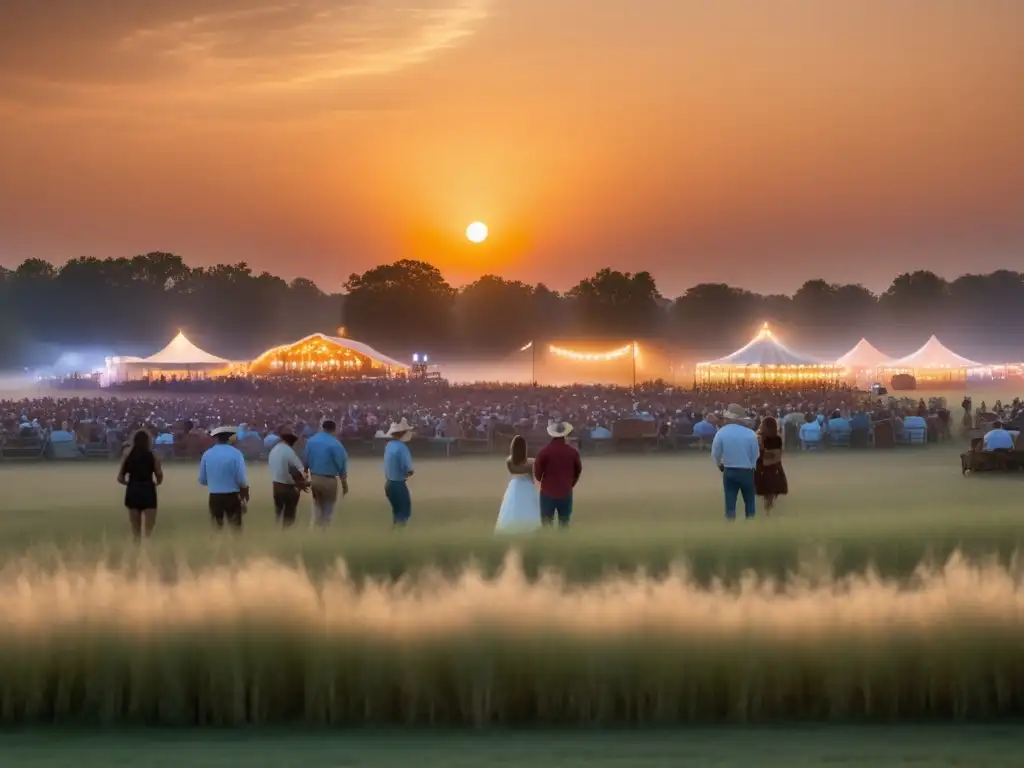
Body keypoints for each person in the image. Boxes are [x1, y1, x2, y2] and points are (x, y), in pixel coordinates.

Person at [710, 404, 760, 520]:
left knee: (730, 499)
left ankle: (730, 521)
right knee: (749, 500)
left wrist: (719, 464)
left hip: (729, 470)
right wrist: (752, 466)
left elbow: (715, 453)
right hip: (746, 471)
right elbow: (755, 454)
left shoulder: (721, 433)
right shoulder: (750, 434)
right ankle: (750, 521)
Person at [198, 425, 249, 530]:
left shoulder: (207, 454)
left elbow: (202, 480)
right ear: (230, 438)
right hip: (232, 496)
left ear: (216, 438)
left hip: (214, 497)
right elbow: (241, 480)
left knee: (217, 529)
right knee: (236, 530)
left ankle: (217, 546)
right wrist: (244, 498)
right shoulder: (236, 454)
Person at [533, 421, 582, 528]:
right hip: (565, 491)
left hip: (547, 491)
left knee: (546, 522)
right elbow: (577, 471)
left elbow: (537, 472)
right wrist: (570, 483)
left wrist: (543, 481)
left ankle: (548, 542)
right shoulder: (572, 452)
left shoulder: (544, 452)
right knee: (564, 523)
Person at [117, 429, 163, 542]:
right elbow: (159, 474)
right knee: (149, 530)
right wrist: (157, 482)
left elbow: (120, 478)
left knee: (135, 531)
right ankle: (147, 552)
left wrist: (129, 484)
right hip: (148, 490)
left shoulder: (128, 455)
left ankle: (136, 551)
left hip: (133, 490)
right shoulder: (152, 454)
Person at [303, 418, 349, 527]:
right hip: (329, 480)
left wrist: (305, 475)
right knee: (328, 511)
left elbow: (305, 460)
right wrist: (344, 484)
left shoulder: (311, 441)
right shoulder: (336, 444)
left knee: (316, 507)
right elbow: (341, 465)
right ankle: (324, 534)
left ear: (323, 428)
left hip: (314, 478)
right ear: (334, 430)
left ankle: (314, 532)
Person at [495, 434, 541, 533]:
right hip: (528, 486)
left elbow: (516, 469)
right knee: (529, 508)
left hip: (514, 486)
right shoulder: (531, 463)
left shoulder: (509, 462)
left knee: (512, 508)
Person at [268, 429, 308, 528]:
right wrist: (305, 480)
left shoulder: (273, 451)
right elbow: (300, 468)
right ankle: (286, 533)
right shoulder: (289, 452)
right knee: (289, 513)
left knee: (278, 511)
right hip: (289, 487)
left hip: (276, 486)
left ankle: (277, 530)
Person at [383, 418, 414, 527]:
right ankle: (399, 535)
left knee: (396, 511)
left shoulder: (388, 446)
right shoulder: (402, 448)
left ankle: (394, 535)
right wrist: (408, 472)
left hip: (388, 484)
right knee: (404, 511)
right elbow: (409, 469)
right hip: (398, 484)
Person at [754, 415, 788, 514]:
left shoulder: (776, 439)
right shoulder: (760, 437)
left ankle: (768, 507)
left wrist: (766, 453)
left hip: (769, 466)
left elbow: (775, 454)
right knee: (768, 489)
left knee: (770, 489)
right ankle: (767, 507)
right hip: (766, 466)